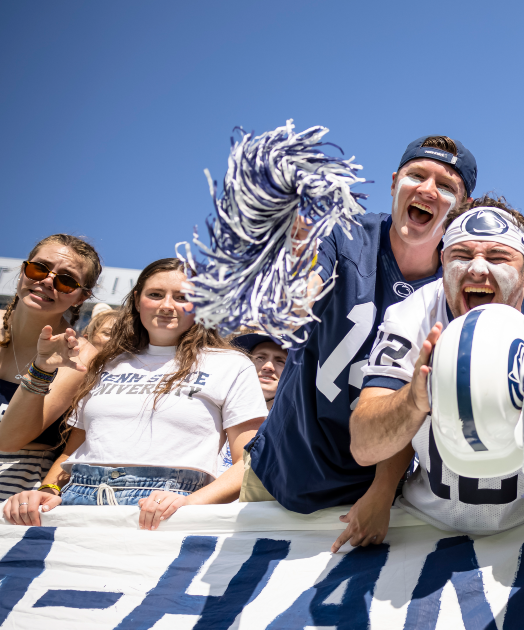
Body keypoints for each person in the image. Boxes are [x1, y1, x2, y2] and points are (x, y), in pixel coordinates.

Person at [241, 135, 477, 551]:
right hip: (280, 469)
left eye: (445, 186)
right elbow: (299, 301)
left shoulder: (459, 279)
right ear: (394, 183)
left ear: (462, 207)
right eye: (416, 175)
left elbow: (419, 400)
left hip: (367, 492)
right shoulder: (343, 233)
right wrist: (293, 259)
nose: (426, 190)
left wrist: (384, 490)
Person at [352, 200, 524, 537]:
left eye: (497, 257)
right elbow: (364, 445)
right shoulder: (412, 316)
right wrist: (412, 402)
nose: (477, 269)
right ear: (443, 261)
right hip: (429, 525)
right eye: (461, 255)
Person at [2, 258, 267, 531]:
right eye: (155, 294)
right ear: (138, 300)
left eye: (182, 297)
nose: (167, 305)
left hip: (168, 507)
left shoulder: (231, 364)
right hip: (76, 499)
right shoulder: (106, 363)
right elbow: (73, 452)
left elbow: (248, 462)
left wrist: (191, 504)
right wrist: (48, 488)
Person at [0, 234, 102, 502]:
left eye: (66, 281)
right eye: (38, 268)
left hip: (17, 498)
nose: (47, 280)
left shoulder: (80, 356)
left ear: (81, 297)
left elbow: (10, 439)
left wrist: (42, 368)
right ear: (23, 269)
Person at [216, 333, 288, 475]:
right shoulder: (212, 411)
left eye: (280, 361)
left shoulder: (296, 428)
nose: (268, 367)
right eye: (260, 358)